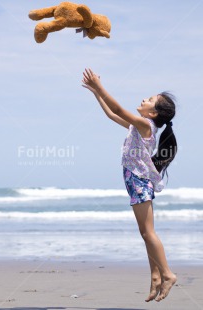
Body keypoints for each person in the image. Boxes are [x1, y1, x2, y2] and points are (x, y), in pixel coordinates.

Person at [82, 68, 177, 302]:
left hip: (139, 181)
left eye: (150, 99)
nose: (144, 99)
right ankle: (155, 276)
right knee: (144, 233)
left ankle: (167, 273)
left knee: (148, 232)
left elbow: (118, 109)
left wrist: (101, 87)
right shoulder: (140, 125)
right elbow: (112, 115)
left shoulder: (146, 126)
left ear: (153, 113)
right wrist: (96, 92)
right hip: (136, 180)